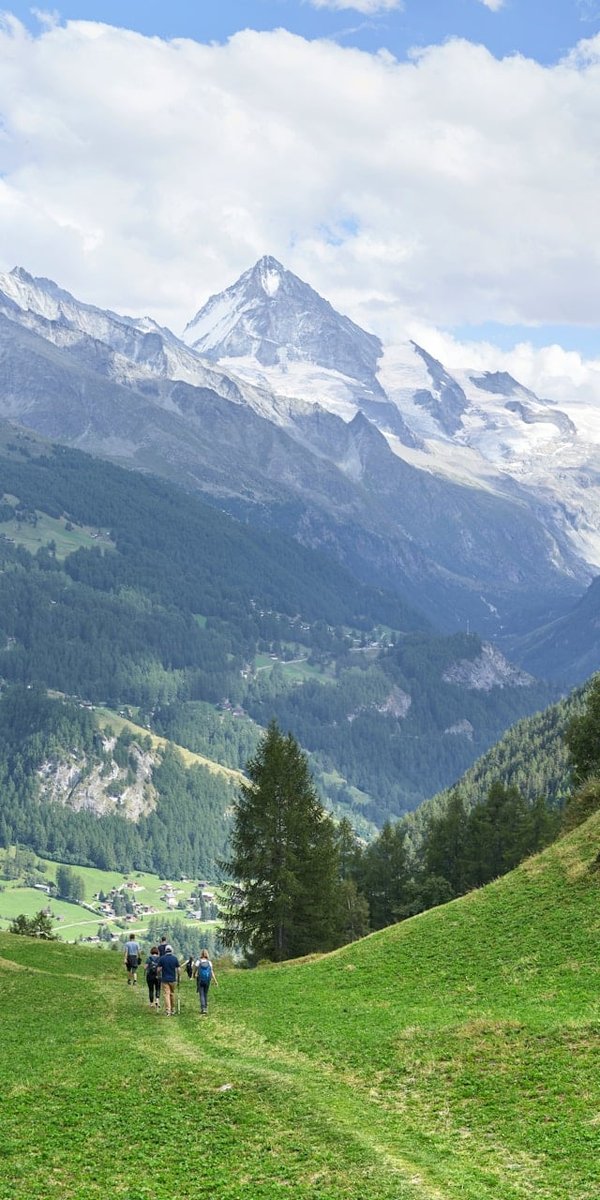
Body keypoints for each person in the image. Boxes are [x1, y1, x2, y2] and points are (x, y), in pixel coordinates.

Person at [157, 943, 180, 1016]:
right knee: (172, 994)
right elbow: (178, 969)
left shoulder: (162, 958)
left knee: (166, 994)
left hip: (164, 979)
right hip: (173, 979)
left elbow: (158, 969)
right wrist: (179, 977)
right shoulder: (175, 958)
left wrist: (158, 975)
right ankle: (173, 1009)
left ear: (165, 951)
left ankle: (168, 1010)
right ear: (171, 951)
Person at [194, 949, 218, 1016]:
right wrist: (215, 980)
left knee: (201, 994)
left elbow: (195, 969)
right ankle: (206, 1007)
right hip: (207, 980)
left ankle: (203, 1008)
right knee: (205, 994)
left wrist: (193, 975)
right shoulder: (209, 962)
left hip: (200, 980)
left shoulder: (198, 962)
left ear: (201, 954)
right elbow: (211, 972)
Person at [145, 945, 161, 1010]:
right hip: (158, 976)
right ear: (157, 952)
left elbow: (145, 967)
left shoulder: (149, 958)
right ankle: (157, 1000)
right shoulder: (160, 958)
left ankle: (151, 1003)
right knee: (158, 988)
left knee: (151, 989)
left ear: (151, 952)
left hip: (150, 976)